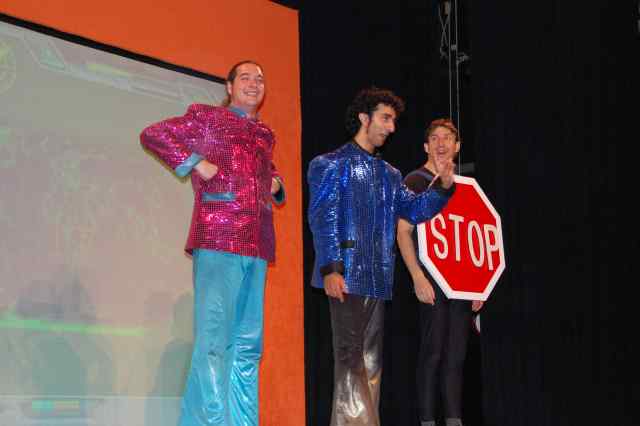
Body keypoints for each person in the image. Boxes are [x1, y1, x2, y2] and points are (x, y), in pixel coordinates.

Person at [140, 60, 284, 426]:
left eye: (260, 79)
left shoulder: (265, 133)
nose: (254, 84)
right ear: (229, 86)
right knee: (214, 341)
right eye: (246, 77)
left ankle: (243, 421)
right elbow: (154, 134)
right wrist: (195, 162)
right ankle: (208, 421)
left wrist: (275, 182)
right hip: (219, 237)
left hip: (257, 244)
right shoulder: (207, 117)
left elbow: (263, 169)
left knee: (248, 345)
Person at [307, 88, 455, 426]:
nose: (391, 127)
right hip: (346, 275)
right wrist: (331, 268)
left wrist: (442, 188)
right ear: (364, 117)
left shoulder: (389, 174)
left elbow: (414, 210)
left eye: (393, 120)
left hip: (377, 279)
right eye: (386, 118)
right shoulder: (330, 164)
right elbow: (323, 218)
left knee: (370, 362)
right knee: (350, 359)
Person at [396, 118, 483, 426]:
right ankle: (427, 421)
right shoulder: (414, 181)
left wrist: (478, 286)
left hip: (460, 285)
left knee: (456, 356)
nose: (441, 143)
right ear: (426, 146)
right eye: (434, 138)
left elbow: (474, 237)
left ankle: (454, 420)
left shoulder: (465, 186)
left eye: (447, 138)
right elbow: (403, 231)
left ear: (457, 146)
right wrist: (417, 276)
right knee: (432, 353)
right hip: (431, 282)